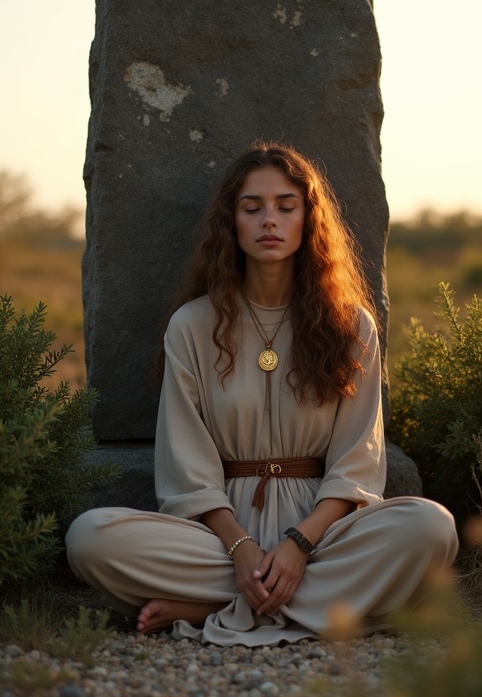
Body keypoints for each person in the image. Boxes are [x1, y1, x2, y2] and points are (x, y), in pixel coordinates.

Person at [66, 141, 458, 646]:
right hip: (219, 536)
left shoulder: (351, 325)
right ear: (232, 222)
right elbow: (187, 464)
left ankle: (211, 605)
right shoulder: (192, 325)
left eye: (285, 207)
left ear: (308, 220)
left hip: (323, 532)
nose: (269, 220)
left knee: (430, 528)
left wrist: (297, 546)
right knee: (90, 538)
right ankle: (304, 605)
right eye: (252, 208)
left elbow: (358, 461)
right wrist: (243, 549)